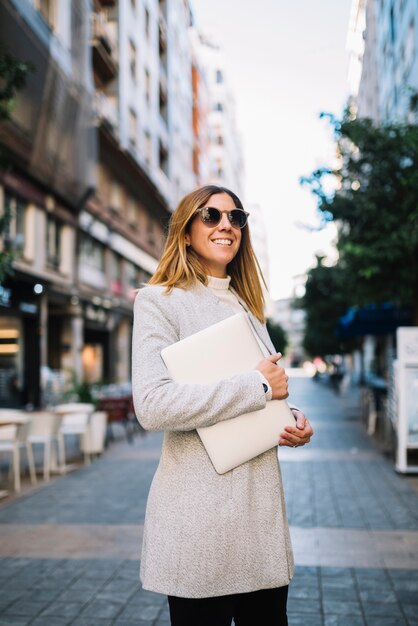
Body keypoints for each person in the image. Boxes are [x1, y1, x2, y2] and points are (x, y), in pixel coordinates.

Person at [132, 185, 313, 626]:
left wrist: (290, 422)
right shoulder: (160, 301)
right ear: (187, 230)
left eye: (236, 217)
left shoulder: (249, 308)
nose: (226, 225)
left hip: (260, 518)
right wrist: (257, 386)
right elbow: (152, 405)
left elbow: (261, 395)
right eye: (210, 216)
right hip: (200, 522)